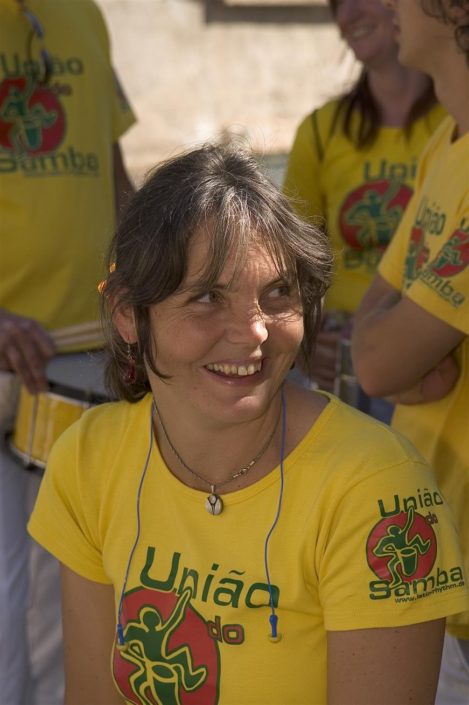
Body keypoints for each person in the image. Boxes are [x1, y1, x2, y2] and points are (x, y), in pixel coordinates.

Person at [27, 143, 468, 705]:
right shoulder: (87, 458)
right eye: (208, 297)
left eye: (277, 293)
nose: (255, 332)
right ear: (125, 313)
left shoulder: (378, 491)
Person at [0, 0, 135, 703]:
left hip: (81, 356)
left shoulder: (83, 13)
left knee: (70, 578)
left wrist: (149, 282)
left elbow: (113, 174)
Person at [352, 0, 469, 701]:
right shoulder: (443, 143)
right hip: (441, 547)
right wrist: (410, 352)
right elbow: (372, 326)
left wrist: (403, 355)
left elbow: (378, 363)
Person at [283, 0, 446, 417]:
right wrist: (304, 339)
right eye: (337, 4)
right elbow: (289, 264)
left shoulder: (456, 121)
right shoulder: (321, 131)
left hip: (440, 353)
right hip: (345, 363)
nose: (346, 15)